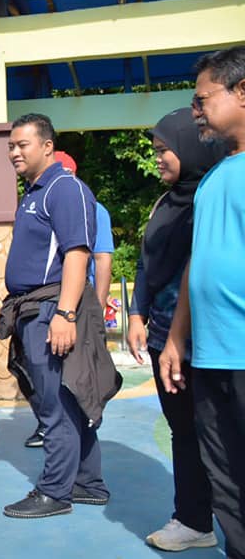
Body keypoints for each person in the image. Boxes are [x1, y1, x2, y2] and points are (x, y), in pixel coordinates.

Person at [0, 113, 120, 519]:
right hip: (34, 308)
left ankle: (54, 492)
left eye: (23, 145)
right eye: (11, 145)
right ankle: (88, 483)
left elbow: (77, 253)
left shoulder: (63, 189)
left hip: (52, 307)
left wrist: (65, 315)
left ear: (47, 146)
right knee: (67, 398)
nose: (14, 151)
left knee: (56, 403)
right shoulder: (33, 192)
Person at [161, 45, 245, 559]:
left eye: (202, 99)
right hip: (211, 356)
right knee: (227, 480)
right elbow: (199, 261)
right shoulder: (215, 178)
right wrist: (174, 338)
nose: (196, 111)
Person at [127, 107, 224, 551]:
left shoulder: (216, 193)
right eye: (156, 150)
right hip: (166, 338)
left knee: (222, 434)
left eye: (165, 150)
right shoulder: (165, 203)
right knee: (183, 431)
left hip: (216, 340)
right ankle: (193, 519)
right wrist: (136, 315)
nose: (159, 158)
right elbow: (147, 264)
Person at [23, 150, 115, 449]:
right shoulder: (39, 199)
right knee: (48, 381)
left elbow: (100, 259)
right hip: (48, 301)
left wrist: (97, 308)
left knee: (77, 382)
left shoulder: (89, 205)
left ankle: (74, 470)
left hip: (73, 304)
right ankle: (56, 436)